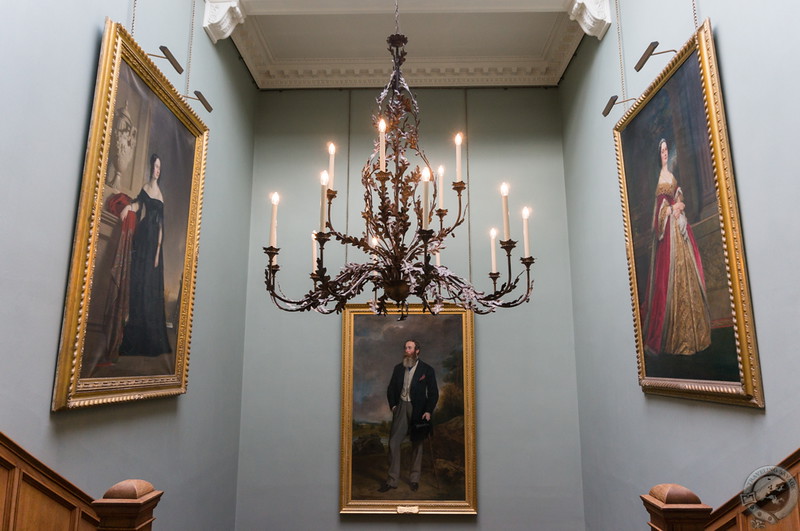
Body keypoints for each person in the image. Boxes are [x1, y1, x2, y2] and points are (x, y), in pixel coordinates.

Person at [640, 139, 711, 355]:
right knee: (668, 279)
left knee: (687, 273)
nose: (664, 153)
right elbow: (658, 212)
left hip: (679, 228)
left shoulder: (670, 174)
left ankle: (694, 334)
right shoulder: (658, 178)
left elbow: (676, 193)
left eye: (665, 150)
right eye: (661, 151)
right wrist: (671, 209)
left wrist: (679, 202)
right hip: (668, 232)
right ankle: (675, 337)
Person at [116, 153, 172, 357]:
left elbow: (161, 227)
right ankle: (133, 336)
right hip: (142, 238)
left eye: (160, 168)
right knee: (138, 284)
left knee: (149, 287)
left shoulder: (160, 194)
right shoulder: (146, 188)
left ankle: (149, 338)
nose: (157, 170)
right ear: (150, 167)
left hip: (153, 245)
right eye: (155, 166)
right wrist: (128, 208)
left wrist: (158, 251)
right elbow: (139, 204)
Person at [378, 339, 438, 493]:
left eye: (410, 348)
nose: (407, 350)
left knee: (417, 444)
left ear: (417, 351)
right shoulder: (398, 368)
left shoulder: (427, 370)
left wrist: (428, 411)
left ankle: (414, 479)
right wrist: (393, 405)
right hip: (401, 407)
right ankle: (392, 481)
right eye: (405, 347)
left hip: (419, 409)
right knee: (393, 443)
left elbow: (433, 393)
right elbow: (391, 389)